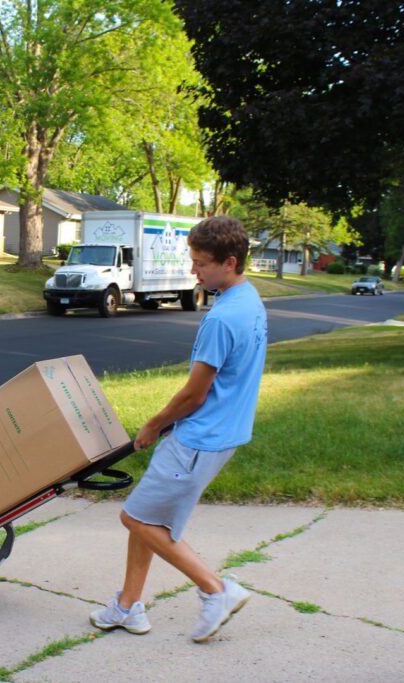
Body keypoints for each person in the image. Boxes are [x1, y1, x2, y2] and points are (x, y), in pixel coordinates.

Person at [89, 215, 268, 643]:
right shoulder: (249, 300)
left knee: (133, 517)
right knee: (150, 519)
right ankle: (128, 606)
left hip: (197, 439)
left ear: (229, 262)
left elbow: (195, 394)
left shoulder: (222, 319)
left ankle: (216, 590)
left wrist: (152, 426)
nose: (194, 270)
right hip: (222, 435)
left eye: (201, 263)